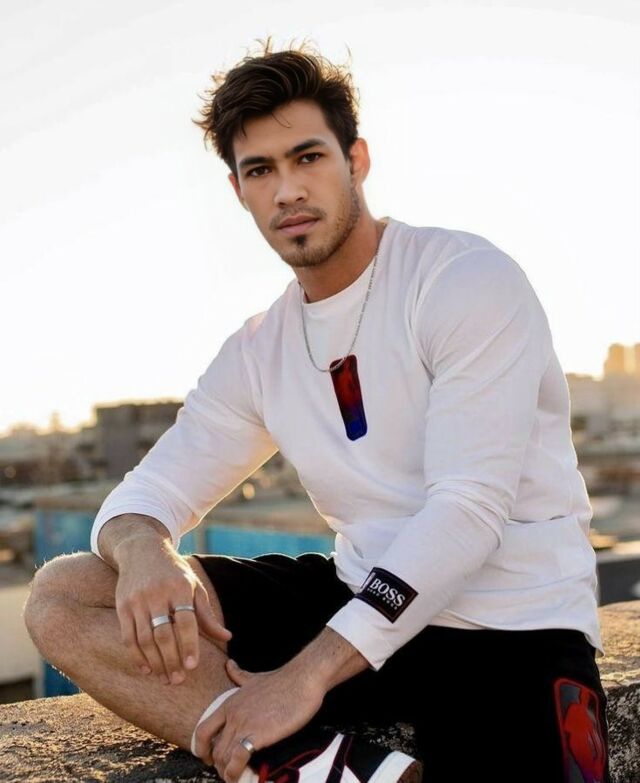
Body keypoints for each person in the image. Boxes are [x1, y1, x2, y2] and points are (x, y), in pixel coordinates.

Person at [23, 37, 612, 783]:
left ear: (355, 160)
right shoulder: (260, 349)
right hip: (357, 597)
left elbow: (467, 511)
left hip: (511, 625)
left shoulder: (461, 279)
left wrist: (304, 676)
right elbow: (146, 493)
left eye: (308, 158)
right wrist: (145, 550)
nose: (287, 190)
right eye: (260, 170)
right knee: (67, 594)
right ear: (239, 190)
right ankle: (304, 764)